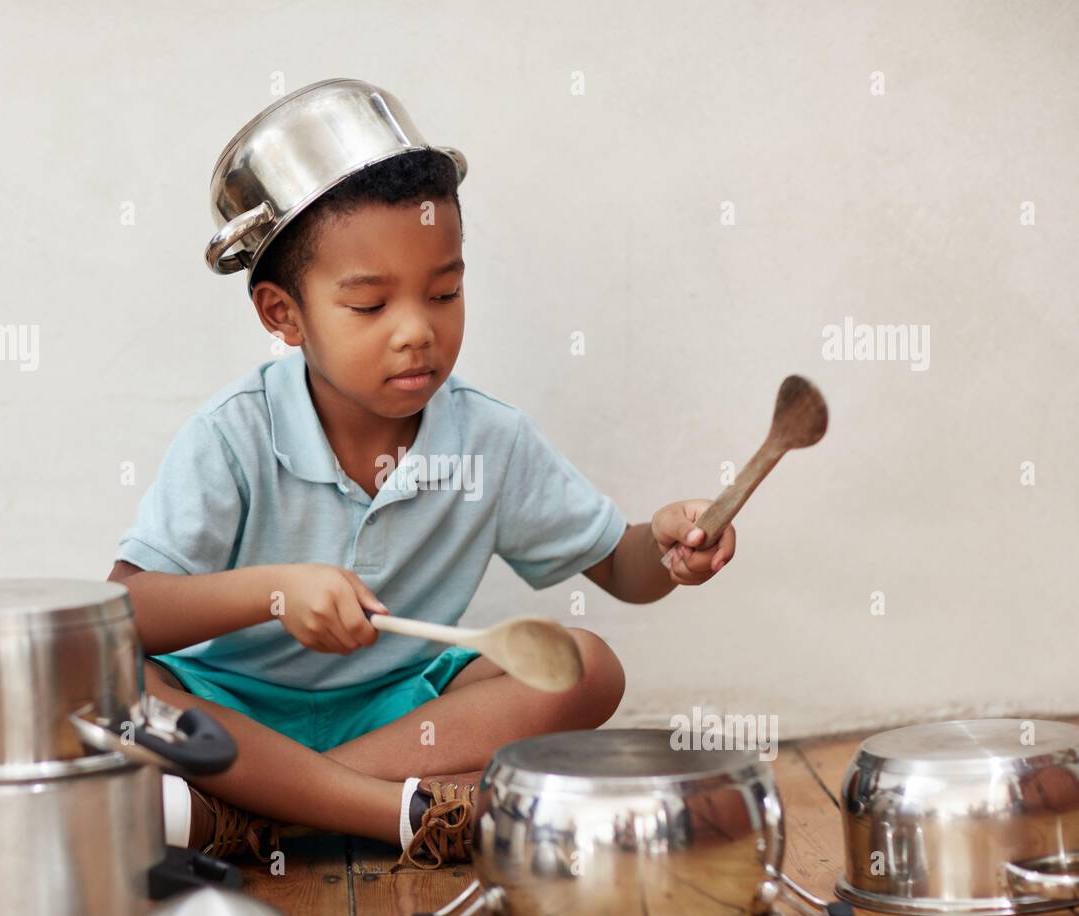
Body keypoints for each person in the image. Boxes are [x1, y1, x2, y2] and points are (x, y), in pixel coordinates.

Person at [109, 106, 735, 872]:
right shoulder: (234, 436)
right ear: (284, 314)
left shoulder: (489, 440)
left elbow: (620, 566)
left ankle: (257, 814)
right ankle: (391, 809)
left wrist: (666, 548)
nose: (417, 331)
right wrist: (272, 590)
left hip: (400, 713)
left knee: (588, 664)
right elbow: (124, 615)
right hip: (228, 713)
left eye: (443, 294)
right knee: (110, 682)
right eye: (370, 305)